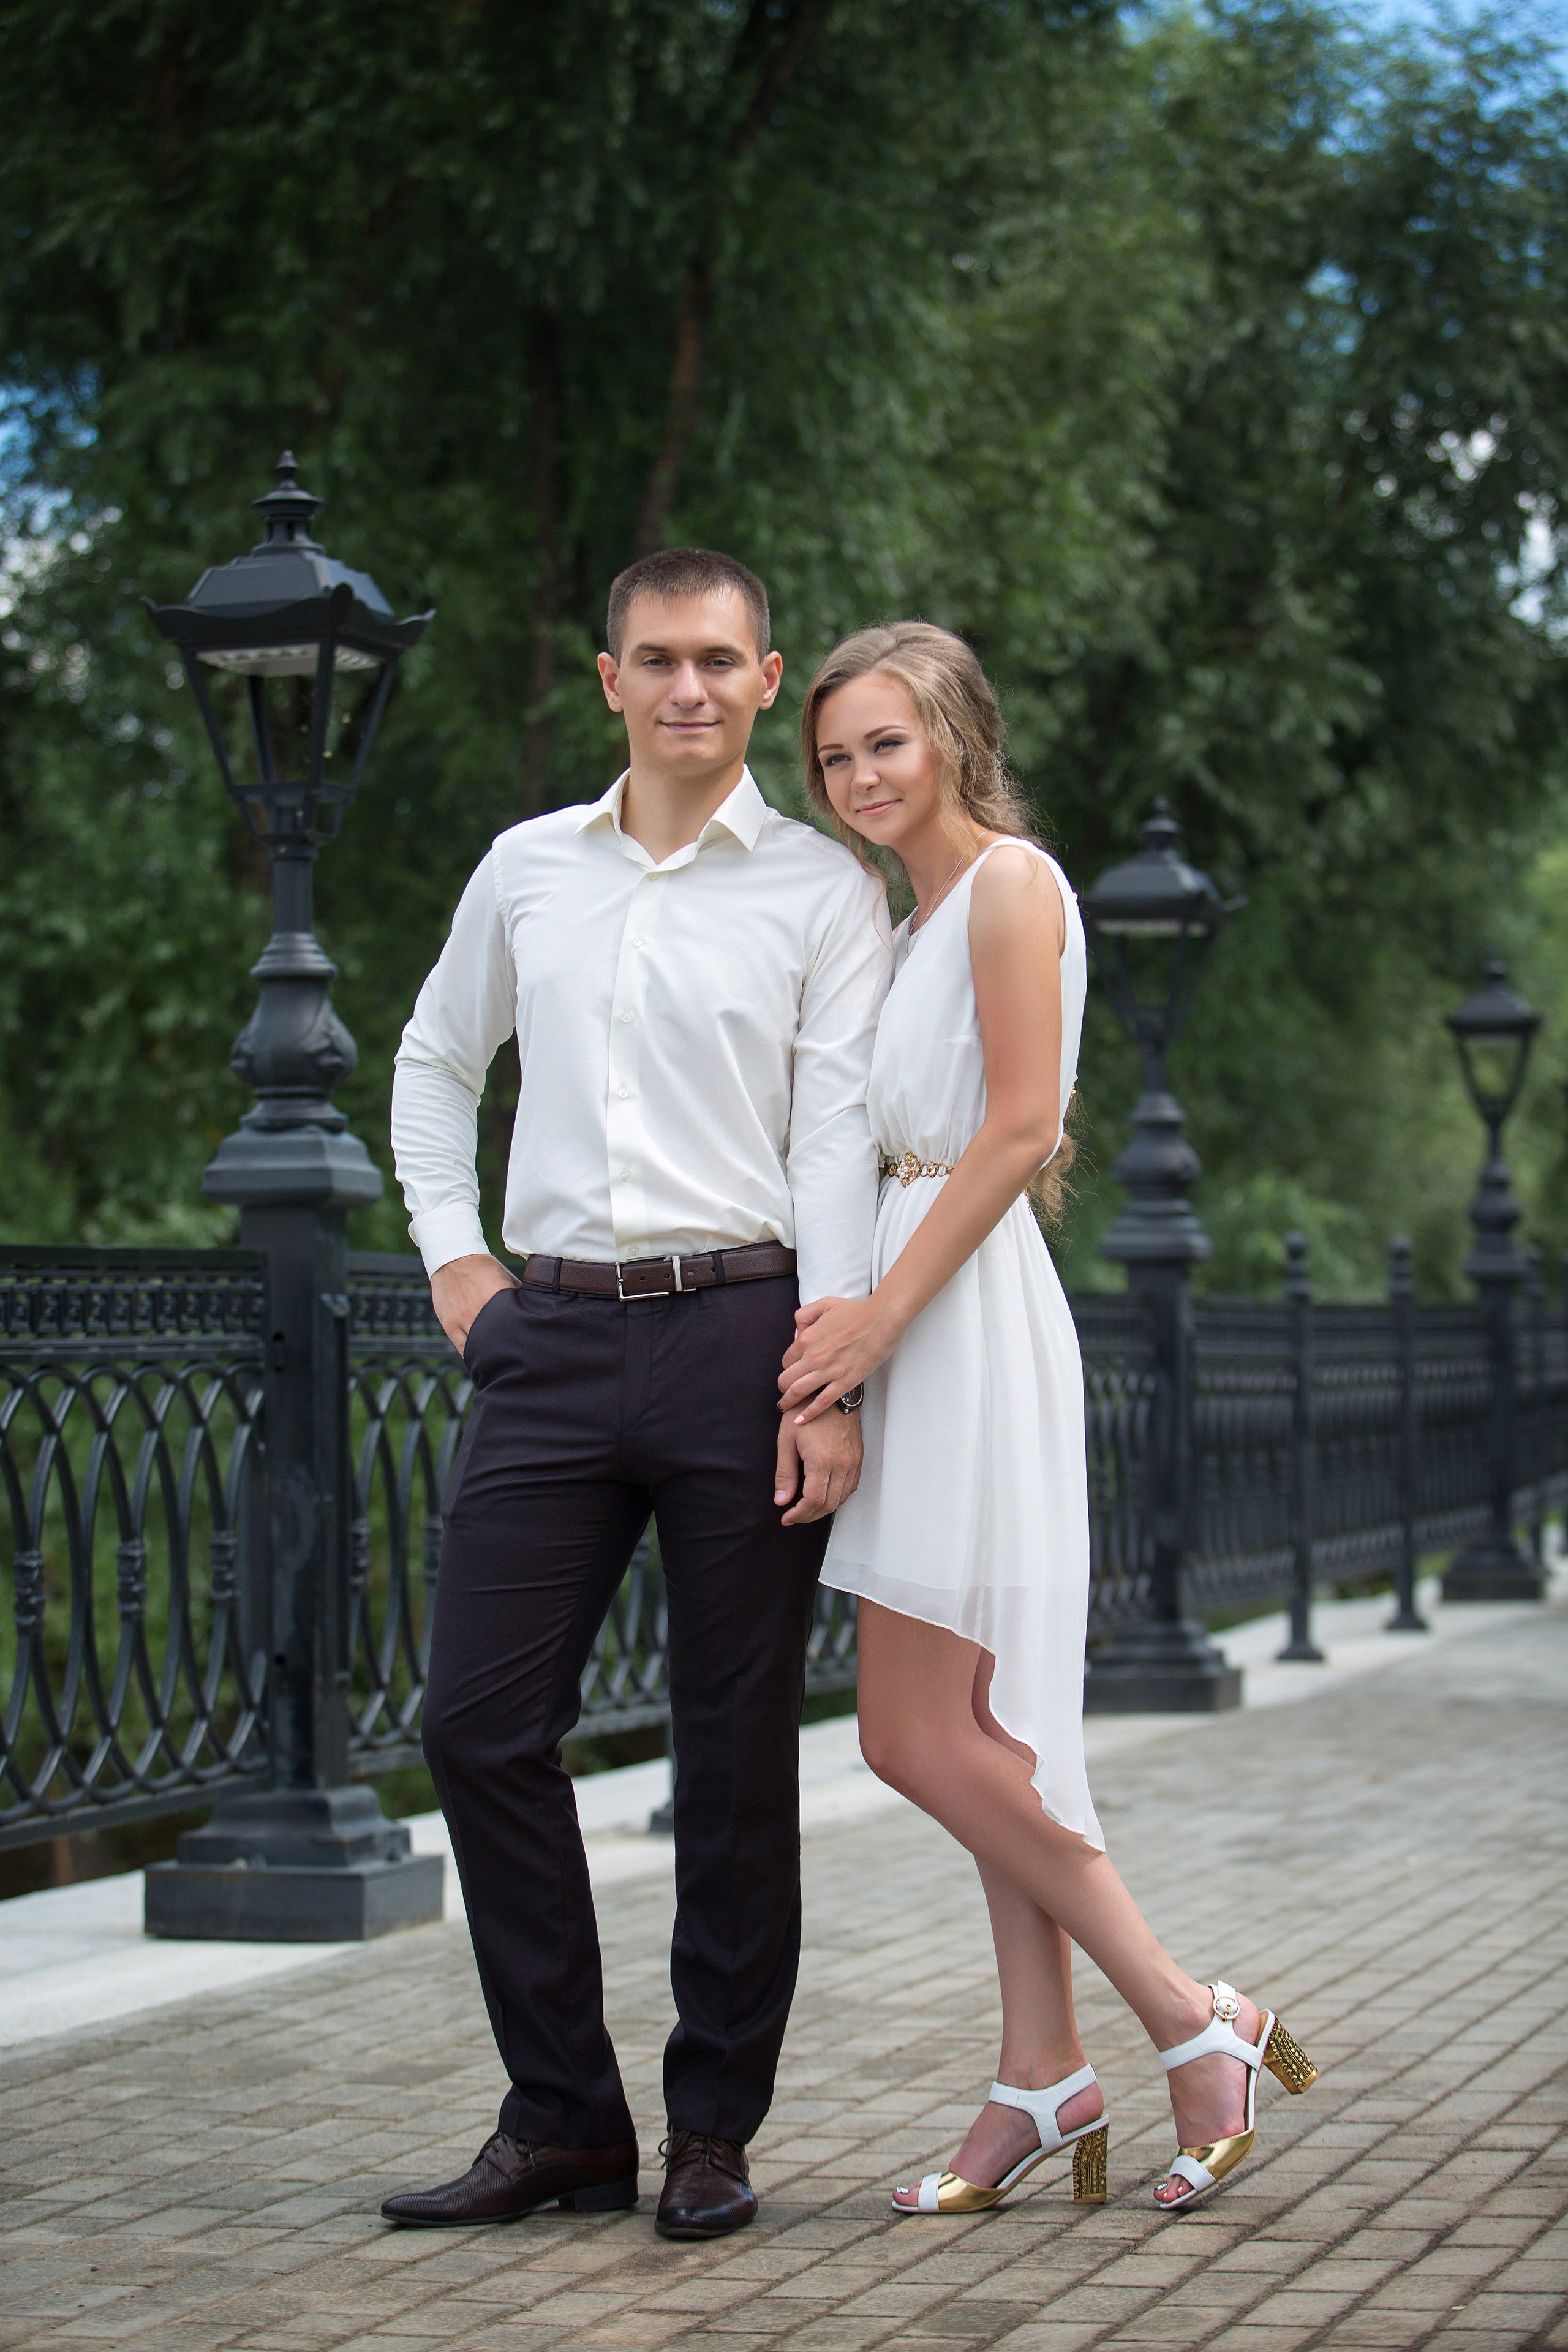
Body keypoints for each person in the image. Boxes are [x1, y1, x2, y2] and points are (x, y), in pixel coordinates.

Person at [777, 623, 1319, 2215]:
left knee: (910, 1734)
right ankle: (1040, 2070)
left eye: (886, 742)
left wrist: (878, 1322)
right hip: (908, 1294)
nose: (860, 776)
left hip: (954, 1311)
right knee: (975, 1732)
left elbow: (1021, 1129)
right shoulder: (900, 922)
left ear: (955, 734)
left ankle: (1189, 2016)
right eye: (834, 756)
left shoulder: (1014, 884)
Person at [381, 549, 889, 2238]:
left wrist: (826, 1378)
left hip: (745, 1337)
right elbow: (437, 1059)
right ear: (610, 679)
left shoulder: (823, 892)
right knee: (476, 1726)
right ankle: (565, 2121)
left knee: (732, 1752)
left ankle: (711, 2131)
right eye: (658, 658)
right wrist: (457, 1258)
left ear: (766, 679)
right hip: (549, 1340)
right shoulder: (528, 867)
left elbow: (834, 1141)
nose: (688, 687)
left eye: (719, 661)